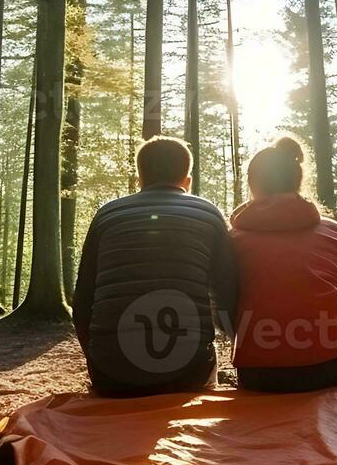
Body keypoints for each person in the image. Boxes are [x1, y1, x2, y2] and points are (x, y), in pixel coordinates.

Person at [229, 136, 337, 393]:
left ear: (252, 185)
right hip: (335, 367)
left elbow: (224, 309)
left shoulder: (231, 241)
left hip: (259, 376)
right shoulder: (333, 231)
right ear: (298, 180)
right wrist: (329, 341)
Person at [71, 136, 237, 397]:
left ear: (140, 179)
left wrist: (96, 363)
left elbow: (81, 303)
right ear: (187, 181)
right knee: (205, 354)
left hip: (111, 377)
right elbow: (228, 293)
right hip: (188, 374)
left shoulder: (107, 215)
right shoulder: (208, 213)